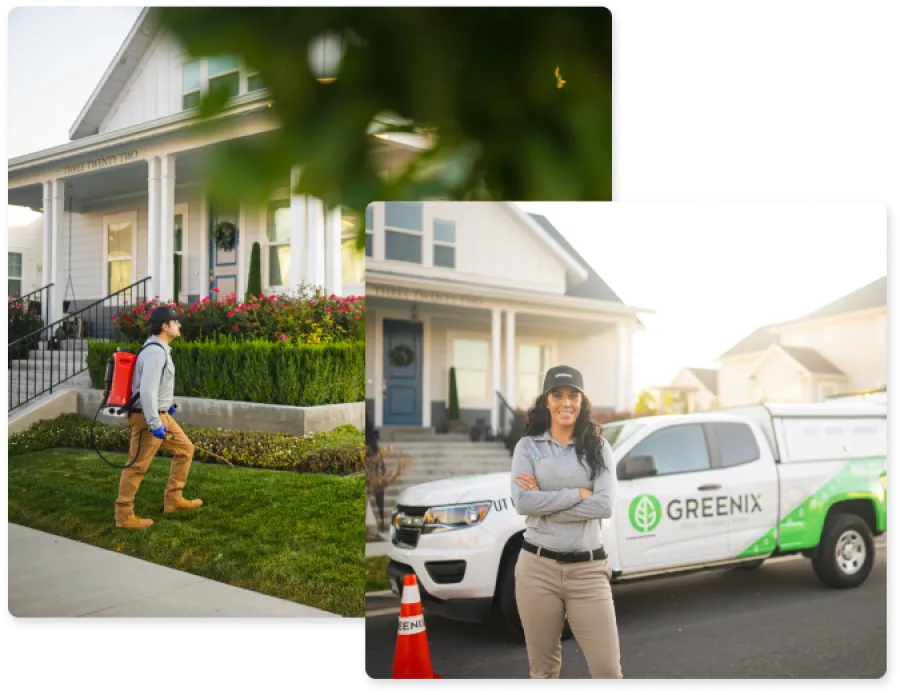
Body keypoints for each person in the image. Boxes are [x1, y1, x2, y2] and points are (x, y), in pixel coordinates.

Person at [509, 364, 622, 679]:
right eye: (557, 394)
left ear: (583, 401)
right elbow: (522, 502)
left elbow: (603, 505)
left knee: (607, 671)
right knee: (543, 671)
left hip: (588, 572)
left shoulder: (598, 447)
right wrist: (577, 493)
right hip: (536, 569)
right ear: (546, 400)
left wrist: (543, 503)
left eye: (573, 395)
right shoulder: (528, 447)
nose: (566, 402)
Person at [114, 305, 202, 529]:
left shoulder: (160, 349)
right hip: (147, 418)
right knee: (137, 466)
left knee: (185, 450)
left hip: (160, 415)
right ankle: (124, 515)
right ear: (165, 326)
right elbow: (147, 391)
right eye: (176, 322)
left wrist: (167, 407)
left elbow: (156, 388)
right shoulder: (154, 352)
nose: (179, 324)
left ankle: (173, 499)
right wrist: (155, 423)